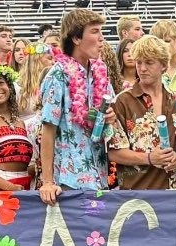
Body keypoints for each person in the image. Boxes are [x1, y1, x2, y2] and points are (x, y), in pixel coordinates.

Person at [36, 9, 116, 204]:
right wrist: (47, 182)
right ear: (76, 38)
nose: (101, 38)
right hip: (68, 179)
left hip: (100, 175)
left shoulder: (100, 73)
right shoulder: (58, 74)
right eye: (95, 31)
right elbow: (48, 128)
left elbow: (111, 117)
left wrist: (110, 116)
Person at [108, 35, 176, 190]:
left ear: (164, 65)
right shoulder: (122, 101)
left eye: (149, 62)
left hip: (174, 190)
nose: (142, 68)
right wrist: (150, 158)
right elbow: (113, 152)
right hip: (136, 192)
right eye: (139, 62)